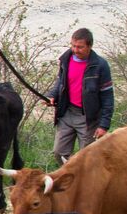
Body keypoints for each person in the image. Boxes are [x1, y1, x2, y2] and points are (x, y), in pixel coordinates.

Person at [46, 27, 114, 164]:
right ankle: (71, 177)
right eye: (73, 46)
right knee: (59, 153)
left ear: (90, 46)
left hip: (88, 118)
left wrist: (104, 126)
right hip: (67, 113)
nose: (75, 50)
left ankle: (85, 182)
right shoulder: (66, 60)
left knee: (87, 157)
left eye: (80, 47)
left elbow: (108, 97)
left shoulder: (100, 65)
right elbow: (61, 81)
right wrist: (52, 95)